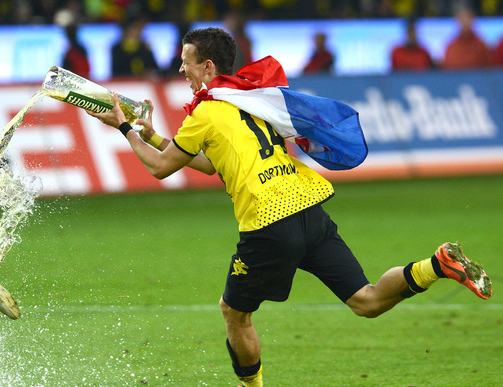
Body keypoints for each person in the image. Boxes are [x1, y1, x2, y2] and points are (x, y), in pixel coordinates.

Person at [87, 27, 493, 386]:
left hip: (268, 223)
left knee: (235, 313)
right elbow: (213, 164)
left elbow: (160, 169)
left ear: (208, 66)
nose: (181, 71)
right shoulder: (251, 98)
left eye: (185, 63)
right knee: (365, 301)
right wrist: (155, 135)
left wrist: (124, 128)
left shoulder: (207, 111)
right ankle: (437, 264)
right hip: (308, 209)